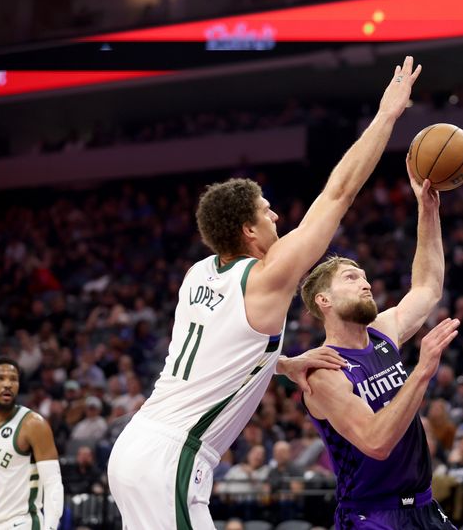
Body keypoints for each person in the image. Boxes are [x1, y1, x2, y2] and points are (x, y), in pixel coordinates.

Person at [107, 56, 422, 529]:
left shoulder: (198, 274)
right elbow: (338, 195)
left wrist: (279, 362)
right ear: (249, 230)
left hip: (136, 448)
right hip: (173, 457)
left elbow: (216, 351)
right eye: (267, 211)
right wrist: (387, 116)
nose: (277, 217)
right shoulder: (266, 277)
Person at [300, 164, 457, 528]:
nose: (366, 283)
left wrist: (428, 212)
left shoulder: (383, 330)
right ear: (324, 300)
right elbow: (376, 442)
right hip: (372, 515)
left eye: (366, 277)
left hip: (424, 504)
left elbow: (428, 287)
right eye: (352, 278)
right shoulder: (325, 373)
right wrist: (421, 371)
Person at [0, 357, 64, 530]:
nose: (8, 384)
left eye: (13, 379)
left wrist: (51, 527)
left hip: (21, 523)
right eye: (0, 378)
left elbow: (53, 483)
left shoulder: (33, 424)